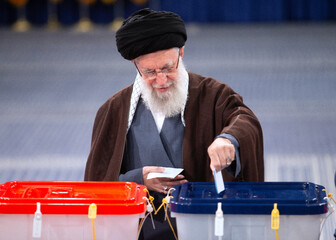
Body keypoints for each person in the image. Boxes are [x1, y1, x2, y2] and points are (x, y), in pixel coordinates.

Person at [84, 8, 264, 239]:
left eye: (168, 68)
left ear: (181, 53)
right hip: (141, 231)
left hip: (202, 228)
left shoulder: (213, 94)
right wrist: (139, 179)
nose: (161, 80)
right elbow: (97, 185)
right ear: (135, 65)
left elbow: (244, 119)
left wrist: (228, 139)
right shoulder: (114, 110)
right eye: (149, 72)